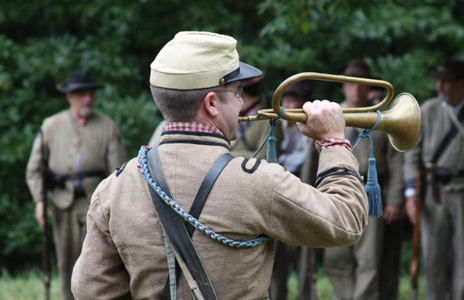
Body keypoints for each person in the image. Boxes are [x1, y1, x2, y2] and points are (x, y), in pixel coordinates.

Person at [71, 31, 369, 300]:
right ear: (212, 103)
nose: (242, 104)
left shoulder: (113, 188)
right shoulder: (258, 181)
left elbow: (90, 289)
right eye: (238, 93)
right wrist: (333, 142)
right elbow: (346, 220)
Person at [302, 59, 405, 300]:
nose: (356, 89)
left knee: (368, 259)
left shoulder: (381, 117)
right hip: (333, 191)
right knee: (336, 257)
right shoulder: (326, 116)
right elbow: (311, 159)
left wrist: (396, 199)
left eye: (361, 85)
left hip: (370, 194)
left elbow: (397, 160)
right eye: (351, 84)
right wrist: (307, 192)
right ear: (343, 86)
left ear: (369, 88)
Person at [26, 70, 127, 300]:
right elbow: (35, 170)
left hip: (97, 205)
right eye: (81, 93)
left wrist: (115, 209)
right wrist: (40, 202)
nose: (88, 98)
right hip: (63, 204)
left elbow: (120, 174)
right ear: (69, 96)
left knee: (98, 263)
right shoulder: (50, 126)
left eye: (91, 93)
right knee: (66, 262)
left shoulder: (107, 127)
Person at [404, 59, 464, 300]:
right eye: (439, 81)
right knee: (433, 257)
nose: (440, 87)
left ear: (460, 82)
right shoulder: (426, 110)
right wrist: (410, 194)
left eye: (445, 82)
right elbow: (411, 154)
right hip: (434, 192)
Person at [269, 80, 317, 300]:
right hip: (279, 194)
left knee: (306, 256)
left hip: (306, 193)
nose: (287, 105)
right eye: (286, 100)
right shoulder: (276, 126)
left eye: (293, 101)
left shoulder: (314, 130)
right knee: (275, 256)